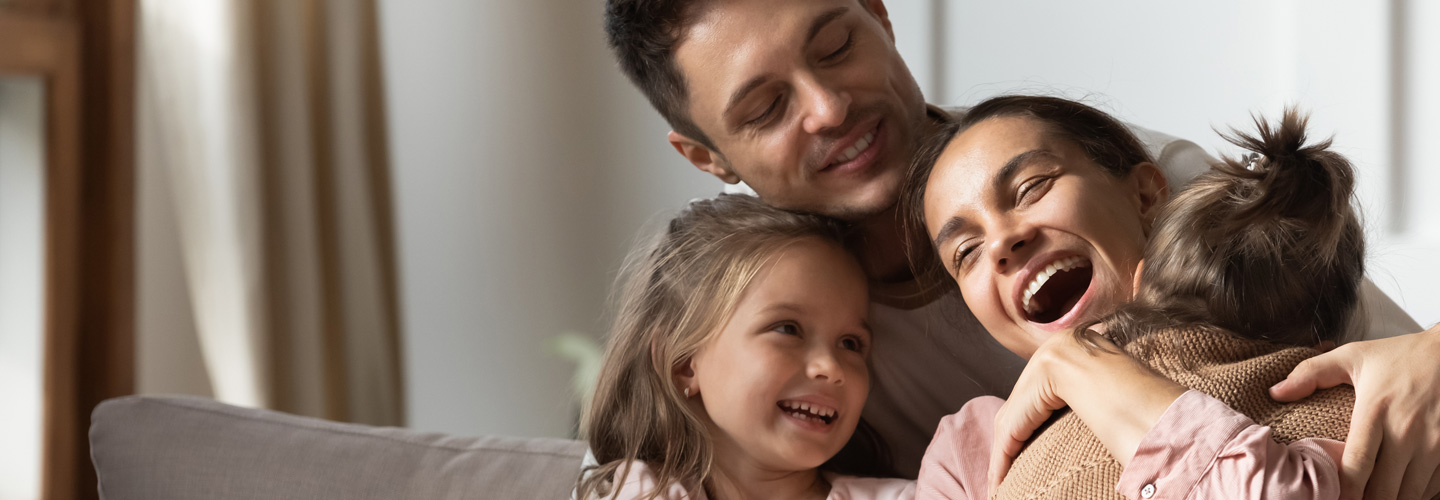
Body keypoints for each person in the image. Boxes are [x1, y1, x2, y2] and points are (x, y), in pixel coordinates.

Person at [603, 0, 1440, 495]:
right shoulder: (793, 337)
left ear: (881, 14)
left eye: (835, 46)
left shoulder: (1131, 183)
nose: (827, 107)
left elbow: (1386, 349)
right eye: (765, 109)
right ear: (707, 158)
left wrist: (1432, 355)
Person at [909, 95, 1406, 498]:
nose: (1000, 243)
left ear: (1146, 196)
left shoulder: (1353, 389)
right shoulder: (969, 454)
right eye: (966, 251)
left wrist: (1086, 366)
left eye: (1031, 187)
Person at [577, 194, 913, 499]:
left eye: (851, 343)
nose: (831, 367)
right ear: (682, 363)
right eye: (788, 329)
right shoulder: (638, 492)